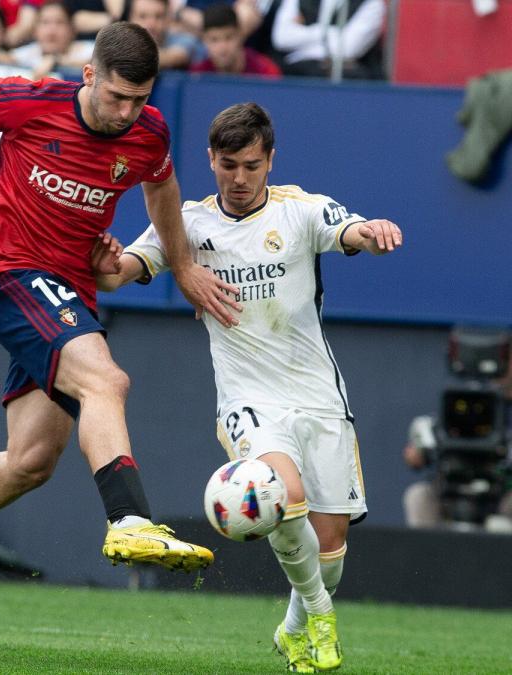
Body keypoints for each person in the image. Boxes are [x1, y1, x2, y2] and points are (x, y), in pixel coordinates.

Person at [0, 20, 239, 622]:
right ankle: (129, 520)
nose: (126, 112)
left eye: (139, 99)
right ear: (88, 75)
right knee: (106, 382)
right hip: (10, 275)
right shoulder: (30, 98)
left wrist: (184, 267)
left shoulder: (148, 133)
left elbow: (160, 187)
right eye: (117, 96)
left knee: (31, 461)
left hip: (71, 295)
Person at [98, 102, 403, 672]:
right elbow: (122, 272)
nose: (239, 179)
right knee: (282, 496)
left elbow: (349, 229)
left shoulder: (300, 210)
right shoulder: (187, 223)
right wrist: (105, 261)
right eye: (228, 165)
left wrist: (372, 231)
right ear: (210, 159)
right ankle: (320, 616)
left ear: (271, 160)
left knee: (330, 546)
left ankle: (293, 628)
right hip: (248, 399)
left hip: (319, 395)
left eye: (252, 166)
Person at [188, 2, 279, 78]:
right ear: (204, 40)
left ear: (240, 36)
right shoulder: (197, 76)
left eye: (228, 38)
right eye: (214, 40)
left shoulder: (265, 72)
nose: (222, 47)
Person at [10, 0, 92, 79]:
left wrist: (57, 61)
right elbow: (4, 58)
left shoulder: (90, 50)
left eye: (59, 22)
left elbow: (97, 63)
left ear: (72, 29)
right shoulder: (30, 51)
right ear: (35, 30)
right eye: (45, 22)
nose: (51, 31)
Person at [126, 0, 201, 70]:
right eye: (142, 16)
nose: (151, 24)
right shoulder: (123, 39)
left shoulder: (184, 39)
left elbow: (177, 56)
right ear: (130, 18)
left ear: (168, 19)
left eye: (159, 16)